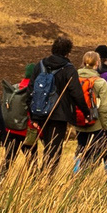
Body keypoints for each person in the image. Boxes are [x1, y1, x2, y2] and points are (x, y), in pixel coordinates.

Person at [29, 37, 79, 173]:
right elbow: (76, 93)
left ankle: (42, 175)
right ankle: (47, 179)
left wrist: (33, 116)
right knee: (55, 149)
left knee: (47, 145)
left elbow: (30, 90)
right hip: (59, 115)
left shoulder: (39, 66)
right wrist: (85, 112)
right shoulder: (69, 69)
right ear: (68, 52)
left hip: (41, 113)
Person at [73, 50, 107, 171]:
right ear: (97, 64)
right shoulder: (100, 82)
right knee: (103, 151)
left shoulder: (74, 80)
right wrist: (106, 126)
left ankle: (76, 176)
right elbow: (105, 108)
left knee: (81, 150)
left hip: (79, 124)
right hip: (96, 126)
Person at [0, 63, 37, 174]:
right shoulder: (33, 90)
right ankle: (35, 183)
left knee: (8, 160)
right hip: (26, 131)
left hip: (11, 130)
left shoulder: (15, 88)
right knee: (32, 161)